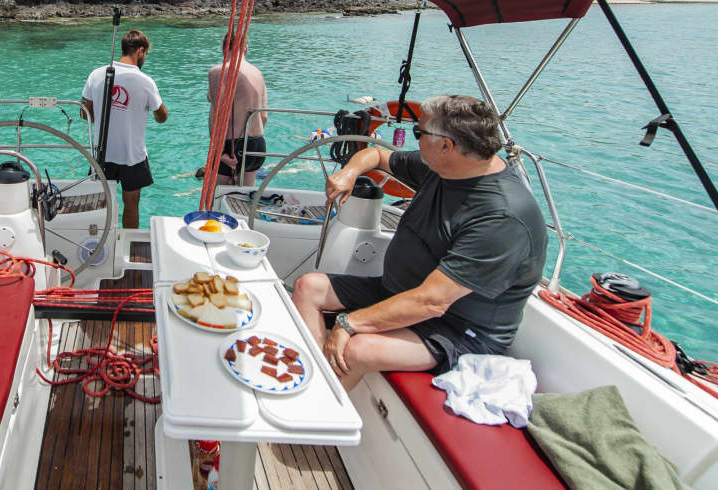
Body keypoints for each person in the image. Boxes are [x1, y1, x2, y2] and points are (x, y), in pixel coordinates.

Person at [291, 95, 548, 391]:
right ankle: (311, 378)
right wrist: (349, 172)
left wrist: (348, 323)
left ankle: (318, 402)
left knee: (359, 348)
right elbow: (376, 155)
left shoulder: (501, 218)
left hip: (457, 329)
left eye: (418, 132)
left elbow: (432, 301)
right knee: (308, 288)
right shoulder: (445, 167)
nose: (415, 139)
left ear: (446, 145)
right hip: (399, 292)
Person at [82, 30, 168, 229]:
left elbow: (85, 113)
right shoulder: (145, 81)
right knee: (131, 206)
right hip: (133, 156)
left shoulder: (96, 74)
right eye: (145, 54)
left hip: (102, 154)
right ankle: (129, 242)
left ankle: (102, 242)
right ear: (140, 51)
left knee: (100, 207)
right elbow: (162, 117)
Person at [207, 37, 268, 186]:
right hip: (258, 145)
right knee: (244, 196)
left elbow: (218, 115)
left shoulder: (218, 71)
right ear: (246, 48)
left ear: (223, 49)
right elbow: (264, 117)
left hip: (233, 147)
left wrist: (220, 152)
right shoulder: (257, 73)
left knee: (215, 195)